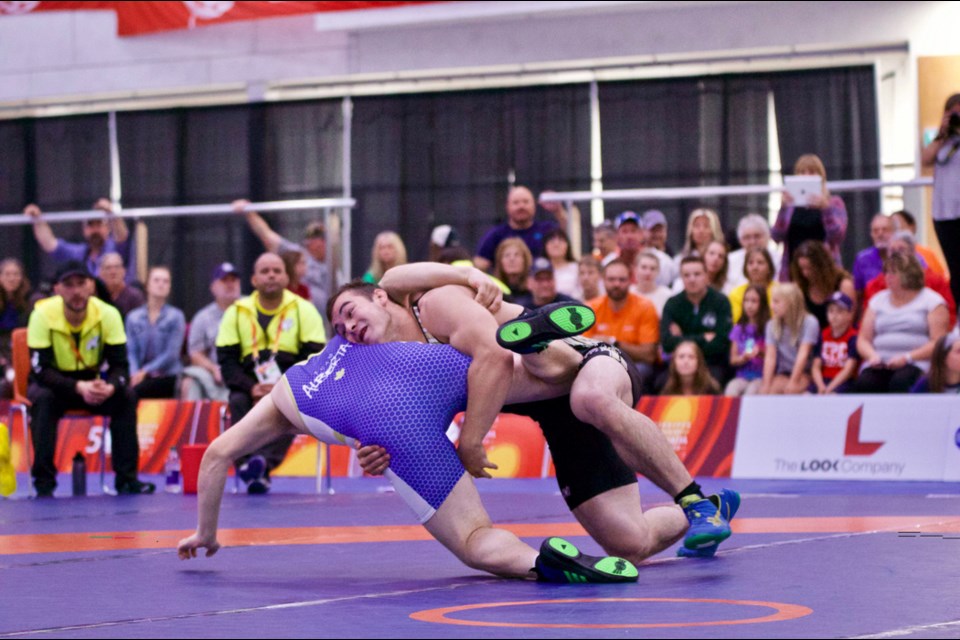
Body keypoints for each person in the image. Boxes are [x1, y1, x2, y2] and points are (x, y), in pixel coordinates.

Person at [330, 267, 737, 558]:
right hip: (556, 417)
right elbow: (411, 428)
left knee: (584, 395)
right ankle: (711, 509)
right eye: (340, 329)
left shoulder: (434, 305)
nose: (349, 328)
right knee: (629, 543)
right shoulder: (394, 373)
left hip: (589, 363)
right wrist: (378, 452)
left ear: (379, 298)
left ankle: (694, 499)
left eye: (350, 312)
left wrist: (471, 441)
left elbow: (493, 359)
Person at [177, 335, 639, 584]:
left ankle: (539, 564)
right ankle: (570, 349)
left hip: (394, 427)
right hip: (417, 368)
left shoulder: (286, 393)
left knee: (474, 538)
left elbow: (217, 455)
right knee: (513, 371)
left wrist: (207, 532)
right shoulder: (359, 341)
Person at [25, 260, 155, 497]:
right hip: (54, 384)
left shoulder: (108, 314)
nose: (76, 291)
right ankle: (43, 482)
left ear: (91, 286)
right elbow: (40, 371)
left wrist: (111, 386)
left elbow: (121, 366)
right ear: (57, 289)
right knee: (42, 400)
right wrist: (77, 386)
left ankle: (127, 480)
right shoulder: (41, 314)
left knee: (126, 396)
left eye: (81, 284)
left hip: (93, 384)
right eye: (69, 285)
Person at [216, 253, 326, 493]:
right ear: (254, 280)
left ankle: (261, 464)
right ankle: (250, 465)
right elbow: (227, 362)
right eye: (264, 271)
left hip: (290, 381)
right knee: (236, 400)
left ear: (287, 278)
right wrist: (251, 387)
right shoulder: (235, 312)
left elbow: (315, 360)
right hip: (248, 383)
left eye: (277, 270)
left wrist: (281, 386)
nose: (271, 275)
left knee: (292, 403)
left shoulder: (304, 310)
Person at [855, 253, 950, 393]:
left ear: (909, 274)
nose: (887, 276)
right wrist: (872, 356)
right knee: (865, 383)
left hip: (917, 362)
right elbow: (863, 339)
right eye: (886, 272)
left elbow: (938, 342)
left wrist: (907, 357)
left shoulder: (932, 301)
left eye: (893, 273)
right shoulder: (877, 301)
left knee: (900, 383)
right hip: (880, 362)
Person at [232, 199, 330, 321]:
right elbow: (268, 236)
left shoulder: (336, 263)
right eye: (312, 239)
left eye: (321, 239)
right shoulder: (297, 255)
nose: (317, 243)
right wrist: (249, 212)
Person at [584, 259, 659, 390]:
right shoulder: (591, 308)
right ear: (603, 280)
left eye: (622, 279)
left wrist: (614, 342)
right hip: (599, 365)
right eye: (611, 279)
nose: (616, 284)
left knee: (639, 371)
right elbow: (582, 350)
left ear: (631, 280)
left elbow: (649, 355)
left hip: (634, 365)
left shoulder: (645, 306)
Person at [771, 154, 848, 281]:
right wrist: (783, 208)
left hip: (825, 271)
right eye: (802, 172)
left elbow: (837, 236)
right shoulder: (790, 206)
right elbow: (776, 236)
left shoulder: (833, 203)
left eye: (812, 172)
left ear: (821, 177)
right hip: (793, 271)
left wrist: (825, 209)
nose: (806, 176)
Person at [660, 256, 733, 387]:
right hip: (679, 364)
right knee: (659, 383)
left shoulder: (721, 302)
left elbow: (721, 343)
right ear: (681, 278)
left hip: (712, 363)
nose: (692, 279)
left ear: (706, 276)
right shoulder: (673, 304)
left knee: (715, 384)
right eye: (686, 275)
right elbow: (667, 343)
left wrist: (682, 338)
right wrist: (703, 338)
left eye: (697, 274)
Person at [862, 230, 956, 328]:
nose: (896, 254)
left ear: (913, 252)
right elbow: (865, 324)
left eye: (901, 249)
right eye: (892, 250)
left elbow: (950, 317)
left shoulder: (935, 281)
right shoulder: (875, 285)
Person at [921, 93, 960, 313]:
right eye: (953, 112)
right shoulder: (941, 141)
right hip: (945, 214)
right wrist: (941, 133)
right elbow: (925, 160)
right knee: (955, 268)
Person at [23, 199, 132, 279]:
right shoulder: (78, 252)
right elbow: (50, 244)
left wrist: (110, 212)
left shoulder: (114, 247)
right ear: (84, 230)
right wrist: (37, 219)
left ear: (108, 228)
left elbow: (122, 235)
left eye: (99, 225)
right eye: (90, 226)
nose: (95, 230)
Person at [181, 263, 242, 402]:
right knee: (189, 382)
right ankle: (193, 423)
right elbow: (195, 354)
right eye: (224, 280)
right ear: (213, 287)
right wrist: (213, 369)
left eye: (233, 280)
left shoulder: (252, 308)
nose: (230, 284)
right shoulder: (203, 317)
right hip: (217, 374)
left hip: (248, 369)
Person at [473, 186, 567, 273]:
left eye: (526, 202)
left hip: (541, 284)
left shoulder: (547, 229)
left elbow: (569, 233)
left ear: (534, 205)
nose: (521, 206)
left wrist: (558, 211)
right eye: (516, 202)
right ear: (507, 206)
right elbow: (479, 264)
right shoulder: (496, 235)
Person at [125, 266, 186, 399]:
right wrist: (134, 373)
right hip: (139, 375)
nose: (161, 284)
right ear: (147, 285)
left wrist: (146, 371)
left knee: (135, 392)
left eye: (166, 281)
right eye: (157, 280)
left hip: (168, 375)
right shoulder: (133, 317)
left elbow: (172, 354)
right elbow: (131, 351)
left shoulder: (176, 316)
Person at [761, 283, 822, 395]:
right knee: (771, 391)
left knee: (791, 391)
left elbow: (803, 354)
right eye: (772, 301)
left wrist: (794, 381)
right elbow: (770, 357)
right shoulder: (771, 325)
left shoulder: (810, 322)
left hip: (805, 372)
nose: (771, 306)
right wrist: (766, 384)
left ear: (790, 303)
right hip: (783, 372)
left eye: (776, 302)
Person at [790, 240, 857, 330]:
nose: (805, 273)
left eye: (809, 268)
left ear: (821, 266)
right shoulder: (801, 286)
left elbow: (850, 318)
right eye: (802, 269)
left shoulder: (843, 284)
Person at [810, 292, 859, 395]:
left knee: (833, 396)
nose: (834, 316)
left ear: (849, 315)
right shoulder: (823, 335)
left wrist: (830, 387)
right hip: (823, 380)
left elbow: (849, 369)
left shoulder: (853, 337)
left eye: (839, 311)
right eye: (831, 311)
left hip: (843, 381)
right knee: (805, 395)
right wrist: (820, 385)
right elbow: (816, 365)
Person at [725, 284, 769, 397]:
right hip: (742, 377)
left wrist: (760, 352)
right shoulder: (738, 329)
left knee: (752, 392)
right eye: (746, 301)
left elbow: (774, 358)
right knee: (731, 389)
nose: (749, 305)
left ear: (762, 304)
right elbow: (733, 359)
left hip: (761, 377)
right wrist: (743, 357)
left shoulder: (769, 328)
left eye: (754, 301)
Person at [615, 211, 674, 288]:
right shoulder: (608, 262)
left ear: (642, 234)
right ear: (616, 236)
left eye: (634, 231)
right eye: (624, 231)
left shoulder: (662, 261)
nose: (629, 236)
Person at [0, 258, 32, 399]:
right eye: (7, 274)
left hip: (21, 352)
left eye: (16, 274)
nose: (12, 278)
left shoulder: (30, 301)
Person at [726, 214, 782, 289]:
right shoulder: (730, 260)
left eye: (757, 236)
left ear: (768, 236)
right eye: (747, 237)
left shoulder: (779, 260)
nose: (752, 242)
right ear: (740, 240)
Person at [670, 208, 724, 282]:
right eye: (697, 226)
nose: (701, 230)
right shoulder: (679, 260)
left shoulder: (722, 258)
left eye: (706, 226)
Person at [890, 210, 947, 278]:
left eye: (897, 226)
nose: (896, 232)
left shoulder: (927, 254)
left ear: (912, 227)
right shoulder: (884, 255)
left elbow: (939, 278)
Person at [851, 213, 895, 298]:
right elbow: (858, 293)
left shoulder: (905, 256)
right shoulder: (862, 259)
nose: (880, 234)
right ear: (871, 234)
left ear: (894, 232)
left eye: (885, 230)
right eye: (875, 231)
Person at [728, 247, 775, 324]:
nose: (755, 267)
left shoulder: (779, 291)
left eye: (760, 263)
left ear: (769, 267)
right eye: (750, 263)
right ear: (745, 268)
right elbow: (736, 322)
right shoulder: (736, 293)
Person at [97, 252, 144, 319]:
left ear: (124, 271)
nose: (113, 272)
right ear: (100, 273)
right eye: (108, 268)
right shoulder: (96, 297)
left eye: (117, 267)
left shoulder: (135, 297)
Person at [493, 237, 533, 304]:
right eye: (507, 255)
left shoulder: (534, 291)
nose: (512, 259)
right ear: (500, 261)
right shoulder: (494, 289)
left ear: (525, 260)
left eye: (517, 255)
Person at [542, 228, 580, 298]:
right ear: (545, 246)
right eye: (551, 241)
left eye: (561, 240)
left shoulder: (577, 268)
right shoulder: (539, 270)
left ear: (568, 245)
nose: (556, 244)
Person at [634, 250, 672, 317]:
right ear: (635, 269)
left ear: (658, 271)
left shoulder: (667, 296)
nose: (648, 273)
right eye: (644, 267)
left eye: (652, 269)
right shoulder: (627, 293)